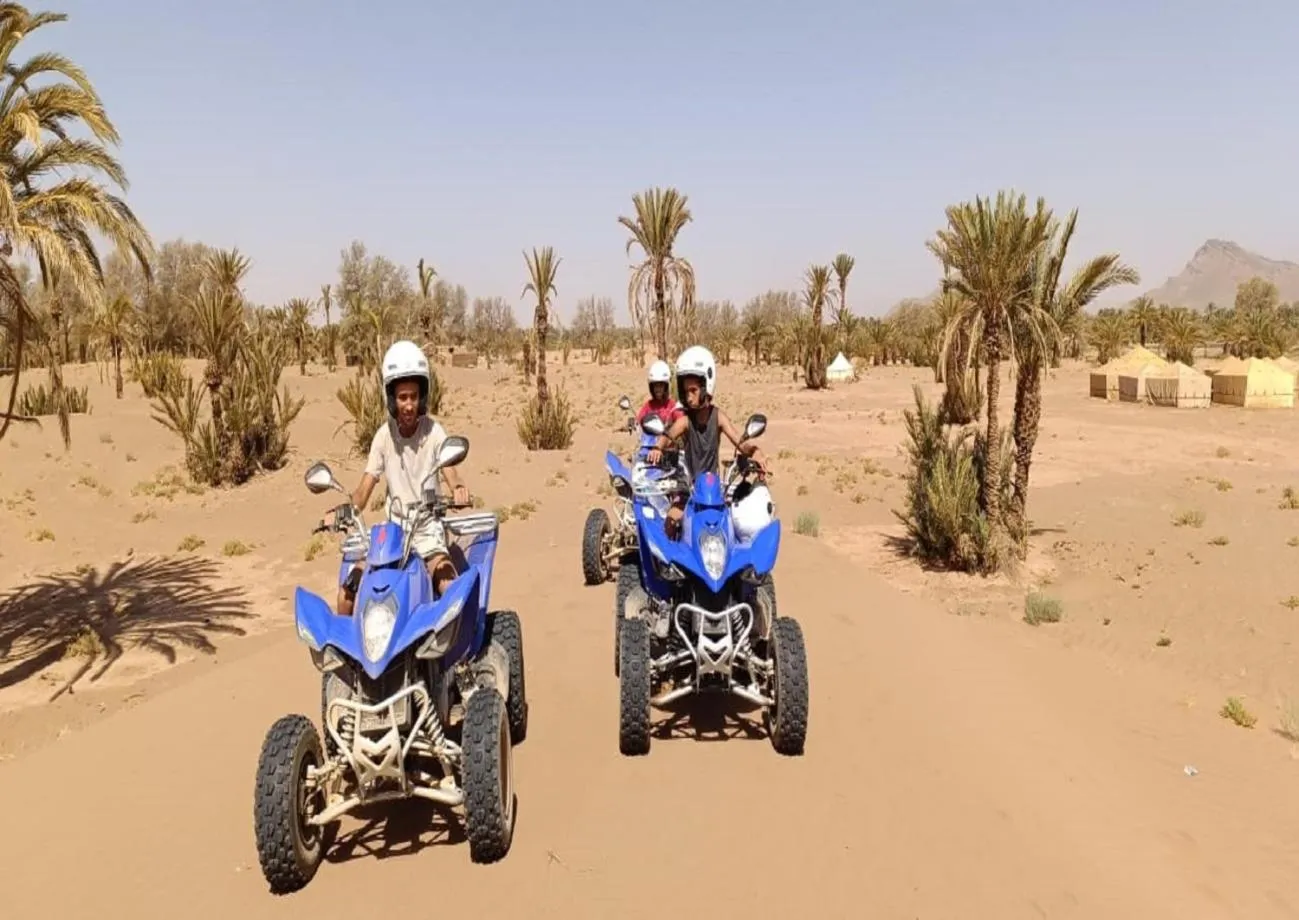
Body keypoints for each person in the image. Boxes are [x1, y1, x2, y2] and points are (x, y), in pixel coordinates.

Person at [336, 340, 470, 615]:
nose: (408, 405)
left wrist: (458, 488)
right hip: (391, 536)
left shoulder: (433, 433)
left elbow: (451, 472)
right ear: (391, 400)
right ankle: (350, 659)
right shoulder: (384, 436)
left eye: (413, 397)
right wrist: (342, 511)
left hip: (426, 532)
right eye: (402, 397)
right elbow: (364, 489)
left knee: (449, 589)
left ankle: (455, 659)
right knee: (347, 594)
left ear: (422, 398)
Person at [644, 345, 768, 537]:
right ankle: (668, 567)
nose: (688, 396)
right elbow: (668, 436)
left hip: (713, 491)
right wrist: (657, 448)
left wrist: (755, 451)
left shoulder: (718, 417)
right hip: (690, 489)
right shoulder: (685, 421)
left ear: (706, 387)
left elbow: (739, 442)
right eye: (686, 391)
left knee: (733, 528)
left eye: (693, 390)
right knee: (670, 521)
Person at [636, 359, 684, 428]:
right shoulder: (649, 405)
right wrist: (634, 422)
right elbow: (640, 419)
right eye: (655, 386)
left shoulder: (672, 406)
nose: (658, 389)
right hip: (650, 438)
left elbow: (680, 420)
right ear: (651, 387)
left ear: (666, 386)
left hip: (668, 438)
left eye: (661, 385)